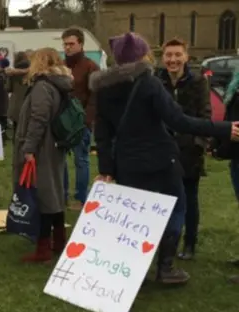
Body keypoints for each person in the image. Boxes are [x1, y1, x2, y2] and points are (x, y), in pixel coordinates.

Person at [90, 32, 239, 284]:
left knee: (134, 217)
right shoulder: (149, 82)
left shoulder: (104, 89)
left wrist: (107, 169)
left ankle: (130, 269)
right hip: (160, 161)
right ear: (142, 55)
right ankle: (166, 267)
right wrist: (224, 128)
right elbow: (179, 121)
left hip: (126, 163)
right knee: (175, 209)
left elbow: (103, 135)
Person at [14, 48, 72, 263]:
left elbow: (38, 119)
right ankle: (58, 240)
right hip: (53, 145)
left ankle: (43, 248)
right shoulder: (59, 84)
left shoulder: (43, 86)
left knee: (44, 197)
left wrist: (29, 148)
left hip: (42, 147)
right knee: (54, 194)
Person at [156, 38, 210, 260]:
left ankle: (189, 243)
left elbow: (205, 115)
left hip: (189, 151)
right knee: (163, 199)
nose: (173, 60)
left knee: (189, 199)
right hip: (163, 150)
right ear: (163, 58)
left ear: (186, 57)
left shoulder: (198, 82)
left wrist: (199, 145)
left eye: (177, 55)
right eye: (169, 55)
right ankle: (165, 243)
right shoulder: (156, 81)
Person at [61, 27, 99, 210]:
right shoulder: (60, 66)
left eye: (71, 44)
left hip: (81, 121)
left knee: (81, 160)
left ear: (81, 44)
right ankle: (62, 195)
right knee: (60, 160)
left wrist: (87, 120)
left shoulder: (91, 66)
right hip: (61, 122)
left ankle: (81, 197)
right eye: (65, 44)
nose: (68, 47)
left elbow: (95, 96)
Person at [6, 51, 31, 137]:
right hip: (28, 104)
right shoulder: (32, 71)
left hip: (16, 106)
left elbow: (8, 88)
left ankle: (17, 149)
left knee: (17, 132)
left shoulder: (12, 72)